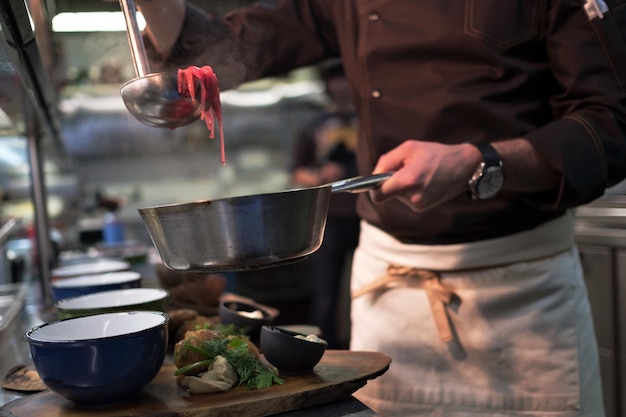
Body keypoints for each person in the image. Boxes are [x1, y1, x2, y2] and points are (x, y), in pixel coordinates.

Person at [131, 1, 626, 416]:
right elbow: (228, 45)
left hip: (523, 295)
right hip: (393, 299)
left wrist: (483, 159)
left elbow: (613, 122)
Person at [291, 60, 360, 349]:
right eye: (335, 78)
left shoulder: (368, 123)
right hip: (326, 220)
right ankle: (324, 352)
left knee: (365, 290)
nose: (341, 84)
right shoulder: (314, 126)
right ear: (328, 85)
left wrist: (349, 173)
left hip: (364, 215)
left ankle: (362, 347)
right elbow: (297, 170)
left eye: (345, 77)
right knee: (326, 292)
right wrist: (320, 177)